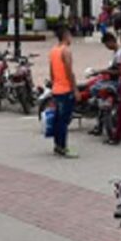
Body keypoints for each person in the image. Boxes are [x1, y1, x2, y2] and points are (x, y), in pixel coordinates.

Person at [49, 26, 78, 158]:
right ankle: (63, 147)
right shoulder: (65, 51)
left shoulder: (53, 51)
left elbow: (52, 73)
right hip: (65, 90)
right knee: (64, 121)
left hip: (56, 89)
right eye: (70, 35)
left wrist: (55, 84)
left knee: (57, 119)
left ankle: (57, 145)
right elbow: (69, 72)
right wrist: (75, 89)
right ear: (66, 36)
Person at [87, 32, 121, 136]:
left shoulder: (120, 54)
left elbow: (120, 71)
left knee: (95, 89)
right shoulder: (116, 53)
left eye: (107, 44)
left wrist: (104, 71)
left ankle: (101, 124)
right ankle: (100, 124)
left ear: (111, 41)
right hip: (113, 80)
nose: (107, 47)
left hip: (118, 82)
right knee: (95, 89)